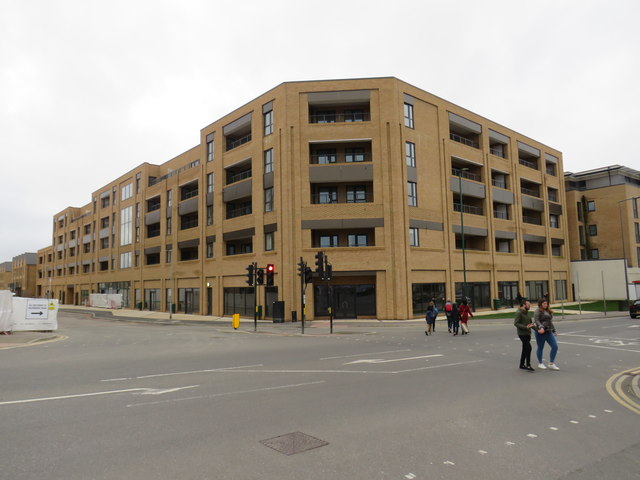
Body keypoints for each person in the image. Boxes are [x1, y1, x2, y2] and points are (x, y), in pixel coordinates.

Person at [533, 298, 559, 370]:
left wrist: (554, 330)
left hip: (548, 331)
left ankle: (551, 363)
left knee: (555, 346)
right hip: (540, 332)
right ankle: (540, 363)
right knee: (540, 348)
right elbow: (536, 320)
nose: (546, 305)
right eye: (544, 304)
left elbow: (549, 321)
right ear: (540, 304)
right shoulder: (537, 311)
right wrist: (541, 327)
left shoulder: (548, 310)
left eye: (546, 303)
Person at [514, 299, 535, 371]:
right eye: (528, 305)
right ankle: (528, 365)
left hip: (527, 333)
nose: (530, 306)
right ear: (523, 305)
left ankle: (521, 364)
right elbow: (516, 323)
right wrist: (525, 327)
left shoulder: (526, 313)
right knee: (529, 348)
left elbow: (531, 324)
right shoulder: (519, 312)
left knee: (525, 349)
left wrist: (538, 330)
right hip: (522, 334)